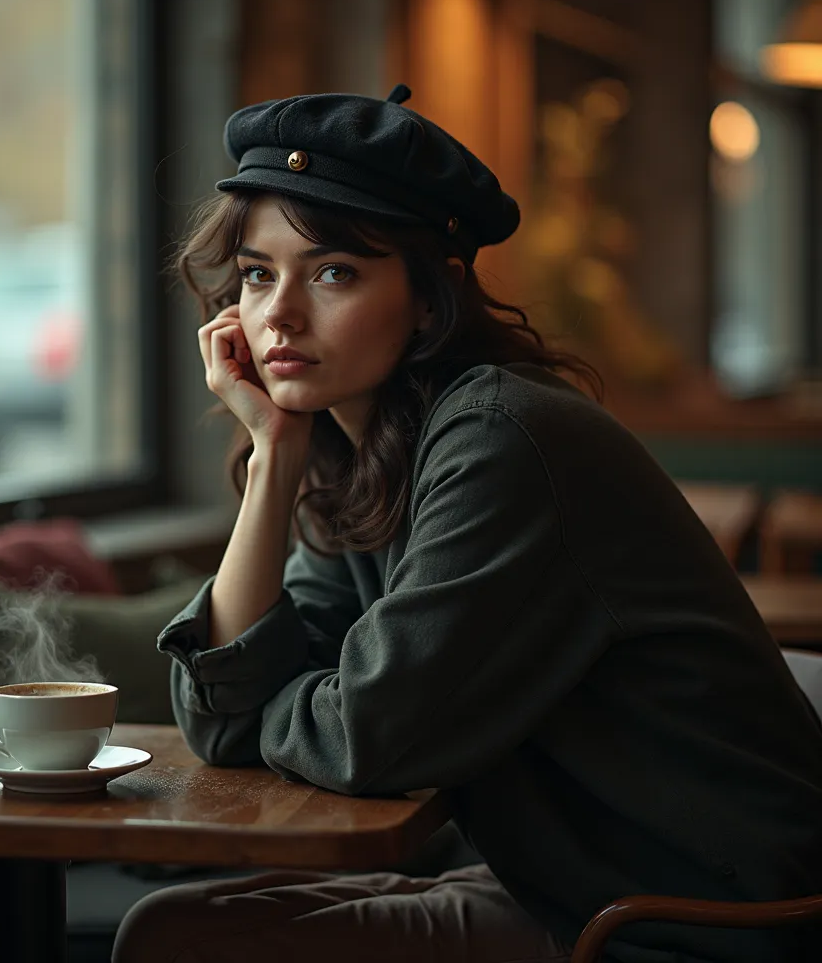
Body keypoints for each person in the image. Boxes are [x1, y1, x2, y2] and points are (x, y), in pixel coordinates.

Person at [113, 85, 822, 963]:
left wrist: (286, 705)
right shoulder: (353, 448)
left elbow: (366, 738)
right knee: (168, 932)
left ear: (430, 295)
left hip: (693, 920)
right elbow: (219, 724)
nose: (278, 315)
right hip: (562, 885)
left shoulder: (500, 437)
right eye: (259, 274)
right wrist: (275, 461)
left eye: (333, 271)